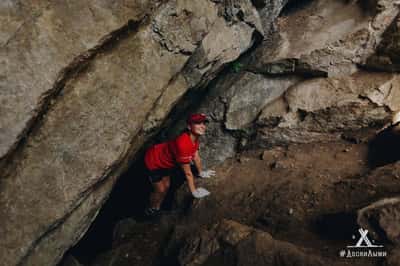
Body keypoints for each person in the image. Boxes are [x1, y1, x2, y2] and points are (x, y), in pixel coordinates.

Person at [144, 113, 216, 217]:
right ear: (189, 127)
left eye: (203, 123)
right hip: (153, 161)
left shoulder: (194, 137)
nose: (202, 126)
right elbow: (187, 173)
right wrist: (194, 191)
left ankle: (157, 207)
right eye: (197, 123)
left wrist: (201, 172)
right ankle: (151, 208)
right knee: (160, 189)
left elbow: (196, 156)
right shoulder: (183, 144)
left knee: (167, 186)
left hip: (165, 161)